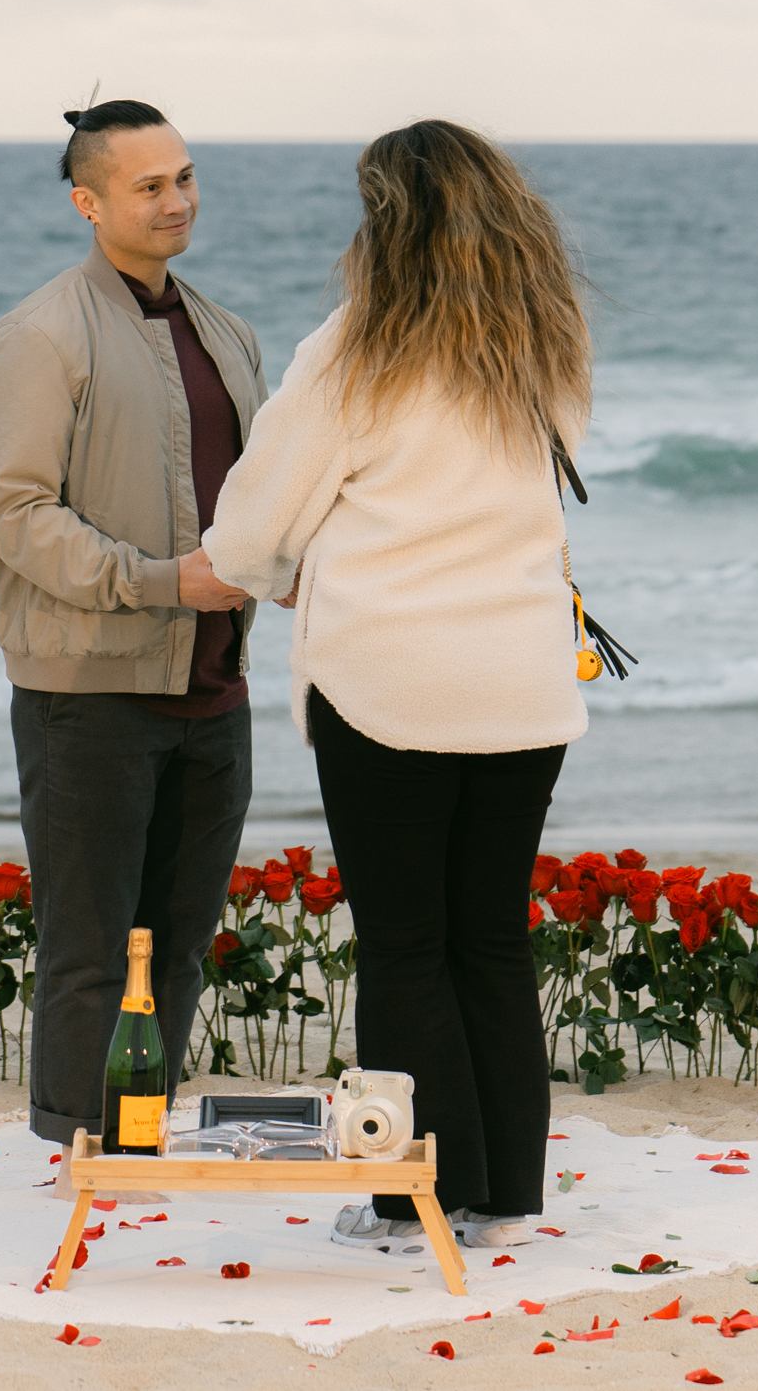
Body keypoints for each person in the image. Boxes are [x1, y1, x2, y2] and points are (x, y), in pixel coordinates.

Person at [203, 119, 592, 1249]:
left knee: (406, 942)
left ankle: (414, 1197)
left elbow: (250, 523)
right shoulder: (546, 346)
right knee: (492, 938)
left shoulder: (355, 348)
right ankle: (503, 1192)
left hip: (387, 682)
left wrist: (285, 566)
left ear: (388, 220)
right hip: (520, 681)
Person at [0, 98, 266, 1181]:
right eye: (150, 185)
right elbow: (16, 512)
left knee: (179, 940)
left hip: (214, 686)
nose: (178, 199)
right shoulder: (40, 334)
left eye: (185, 176)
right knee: (91, 945)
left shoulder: (227, 332)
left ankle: (138, 1132)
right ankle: (74, 1148)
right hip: (86, 692)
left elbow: (260, 502)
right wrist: (158, 581)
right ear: (87, 202)